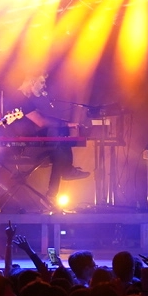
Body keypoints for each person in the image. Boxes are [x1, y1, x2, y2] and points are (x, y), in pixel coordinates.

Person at [14, 74, 89, 204]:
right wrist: (66, 124)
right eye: (42, 82)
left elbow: (43, 120)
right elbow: (41, 122)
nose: (44, 86)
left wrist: (64, 124)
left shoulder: (26, 100)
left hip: (29, 143)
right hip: (20, 147)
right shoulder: (19, 99)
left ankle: (54, 192)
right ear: (32, 82)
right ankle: (64, 175)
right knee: (58, 148)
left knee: (59, 147)